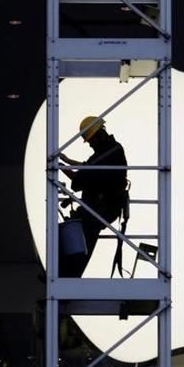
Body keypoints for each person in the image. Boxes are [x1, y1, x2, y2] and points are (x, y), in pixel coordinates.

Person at [59, 116, 128, 277]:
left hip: (102, 208)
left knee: (80, 238)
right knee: (79, 238)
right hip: (98, 207)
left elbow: (81, 178)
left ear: (99, 136)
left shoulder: (111, 152)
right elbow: (87, 170)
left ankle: (67, 277)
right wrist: (68, 163)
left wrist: (64, 167)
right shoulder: (108, 151)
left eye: (90, 140)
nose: (89, 144)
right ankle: (65, 275)